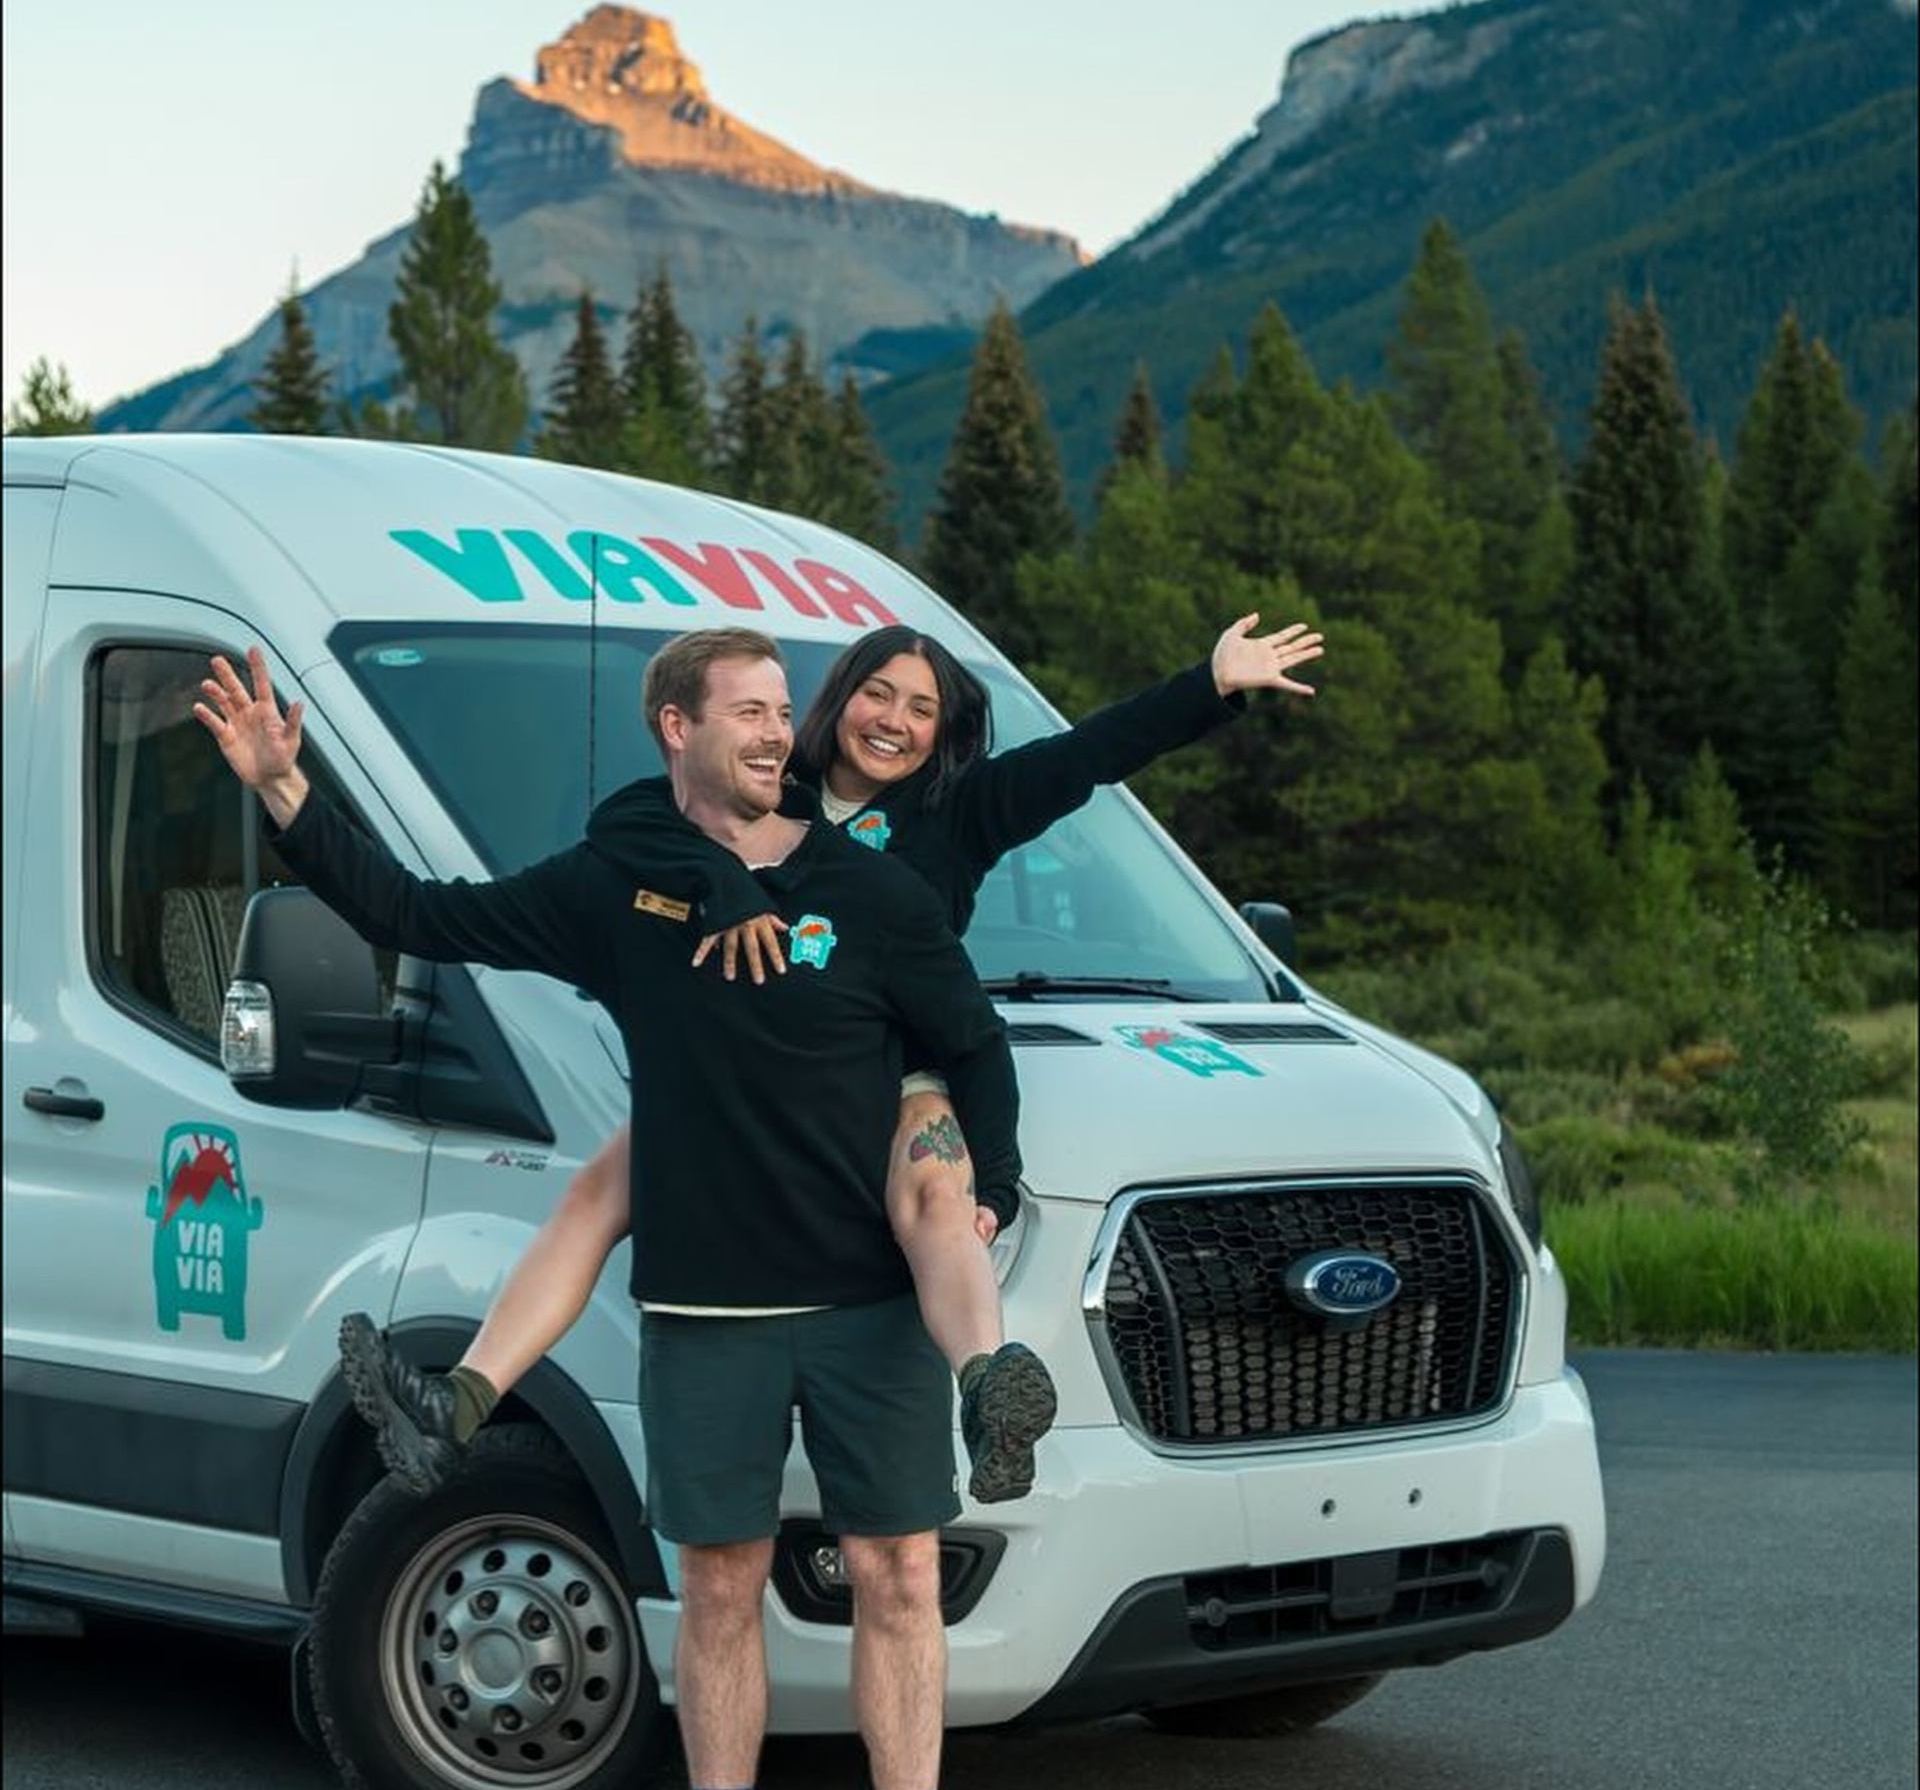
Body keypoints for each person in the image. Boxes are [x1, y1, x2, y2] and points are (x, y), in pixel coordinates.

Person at [195, 628, 1020, 1790]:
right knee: (717, 1591)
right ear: (674, 729)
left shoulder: (873, 896)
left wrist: (990, 1189)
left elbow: (973, 1043)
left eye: (779, 714)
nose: (775, 735)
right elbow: (416, 912)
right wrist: (288, 793)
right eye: (746, 714)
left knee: (901, 1577)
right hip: (708, 1302)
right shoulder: (620, 884)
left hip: (872, 1304)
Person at [339, 612, 1324, 1512]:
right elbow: (633, 821)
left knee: (940, 1193)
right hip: (751, 1076)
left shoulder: (964, 813)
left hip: (895, 1070)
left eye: (922, 707)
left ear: (945, 732)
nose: (894, 719)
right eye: (878, 692)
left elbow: (1092, 752)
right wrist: (716, 881)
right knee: (599, 1192)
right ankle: (457, 1403)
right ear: (838, 698)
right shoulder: (773, 781)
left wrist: (1212, 683)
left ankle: (990, 1388)